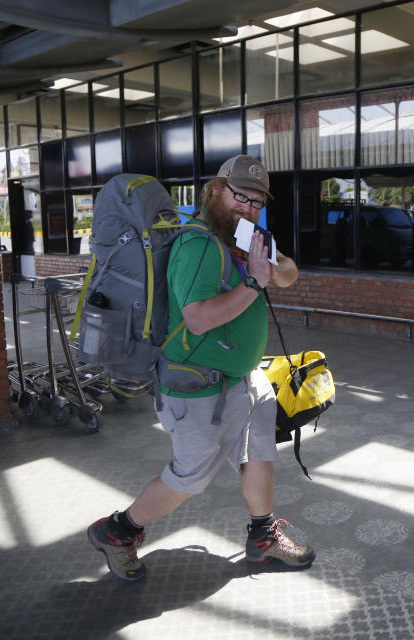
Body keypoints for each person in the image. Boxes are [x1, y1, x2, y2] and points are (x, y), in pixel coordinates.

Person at [87, 155, 313, 582]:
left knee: (259, 453)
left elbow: (290, 272)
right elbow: (199, 318)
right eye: (241, 197)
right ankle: (117, 531)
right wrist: (254, 282)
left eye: (257, 201)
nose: (249, 207)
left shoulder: (244, 235)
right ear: (215, 192)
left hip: (245, 379)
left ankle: (262, 536)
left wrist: (270, 267)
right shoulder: (198, 245)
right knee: (189, 478)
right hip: (199, 388)